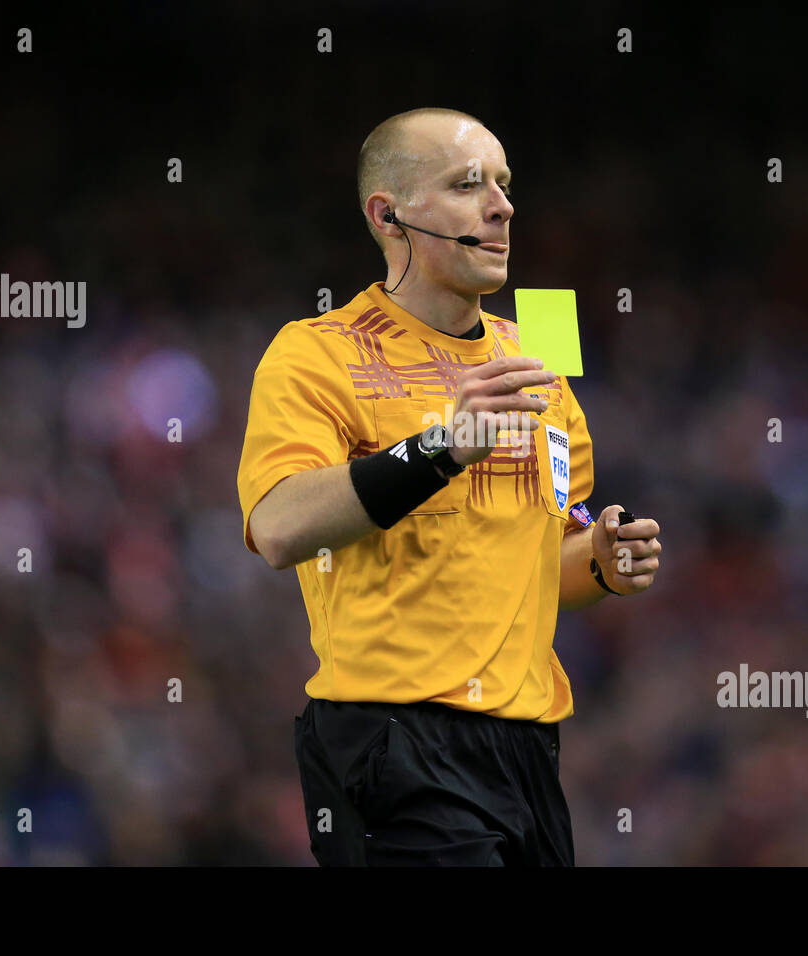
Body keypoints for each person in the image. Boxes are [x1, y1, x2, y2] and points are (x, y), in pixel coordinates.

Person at [237, 107, 663, 865]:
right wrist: (439, 448)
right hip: (390, 738)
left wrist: (600, 558)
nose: (501, 206)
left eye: (503, 185)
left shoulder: (539, 351)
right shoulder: (314, 352)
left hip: (526, 747)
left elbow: (543, 562)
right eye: (468, 185)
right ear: (389, 214)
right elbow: (276, 525)